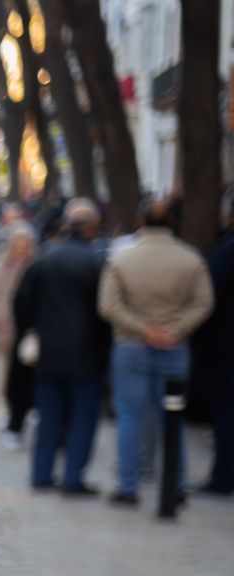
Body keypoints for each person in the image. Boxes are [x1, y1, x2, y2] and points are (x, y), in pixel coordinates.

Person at [98, 197, 214, 507]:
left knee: (130, 418)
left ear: (140, 220)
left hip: (131, 346)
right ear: (173, 223)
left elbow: (108, 305)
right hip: (174, 347)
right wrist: (174, 330)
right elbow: (203, 303)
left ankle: (128, 486)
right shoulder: (190, 259)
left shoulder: (122, 259)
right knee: (172, 418)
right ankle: (175, 484)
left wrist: (142, 329)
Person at [14, 199, 111, 495]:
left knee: (49, 416)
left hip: (49, 352)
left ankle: (41, 474)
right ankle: (72, 477)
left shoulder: (44, 258)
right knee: (82, 418)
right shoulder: (97, 262)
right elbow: (106, 313)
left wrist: (32, 330)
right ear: (93, 228)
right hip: (86, 354)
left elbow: (21, 303)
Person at [0, 224, 37, 447]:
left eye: (25, 245)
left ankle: (24, 407)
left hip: (27, 330)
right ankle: (3, 406)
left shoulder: (33, 266)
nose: (21, 249)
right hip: (2, 328)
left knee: (24, 373)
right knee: (2, 372)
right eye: (17, 245)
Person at [191, 195, 234, 496]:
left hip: (225, 349)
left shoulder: (224, 253)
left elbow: (207, 300)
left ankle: (223, 477)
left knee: (227, 414)